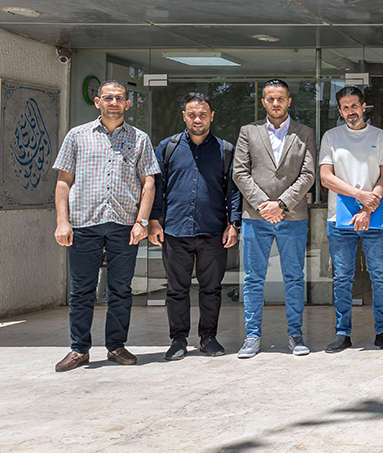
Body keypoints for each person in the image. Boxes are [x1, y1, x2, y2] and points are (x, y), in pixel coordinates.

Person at [52, 80, 159, 372]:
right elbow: (63, 181)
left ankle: (116, 346)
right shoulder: (77, 136)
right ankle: (79, 349)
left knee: (121, 289)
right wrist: (63, 222)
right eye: (108, 98)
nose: (114, 102)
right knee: (81, 290)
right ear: (98, 102)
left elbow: (148, 182)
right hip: (84, 224)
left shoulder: (140, 139)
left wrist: (142, 222)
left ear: (127, 103)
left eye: (120, 98)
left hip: (124, 224)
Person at [148, 92, 241, 361]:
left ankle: (208, 337)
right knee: (176, 289)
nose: (197, 119)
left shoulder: (225, 150)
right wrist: (154, 220)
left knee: (211, 289)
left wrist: (233, 224)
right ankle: (178, 339)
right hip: (175, 231)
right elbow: (157, 187)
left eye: (202, 114)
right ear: (184, 116)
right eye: (192, 114)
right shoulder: (168, 147)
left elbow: (233, 192)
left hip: (213, 231)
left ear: (212, 116)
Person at [232, 79, 317, 359]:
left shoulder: (305, 133)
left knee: (294, 278)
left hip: (292, 216)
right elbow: (240, 172)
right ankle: (252, 336)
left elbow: (308, 175)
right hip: (255, 217)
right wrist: (263, 205)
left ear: (289, 101)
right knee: (254, 279)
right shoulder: (248, 132)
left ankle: (295, 335)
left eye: (280, 98)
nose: (276, 103)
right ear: (263, 101)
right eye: (270, 98)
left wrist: (281, 203)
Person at [319, 86, 383, 353]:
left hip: (374, 217)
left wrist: (367, 205)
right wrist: (360, 195)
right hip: (339, 220)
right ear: (340, 111)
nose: (350, 111)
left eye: (354, 106)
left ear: (364, 107)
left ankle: (382, 331)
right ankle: (343, 332)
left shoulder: (381, 136)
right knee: (342, 277)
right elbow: (326, 178)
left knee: (380, 276)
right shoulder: (331, 136)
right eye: (345, 107)